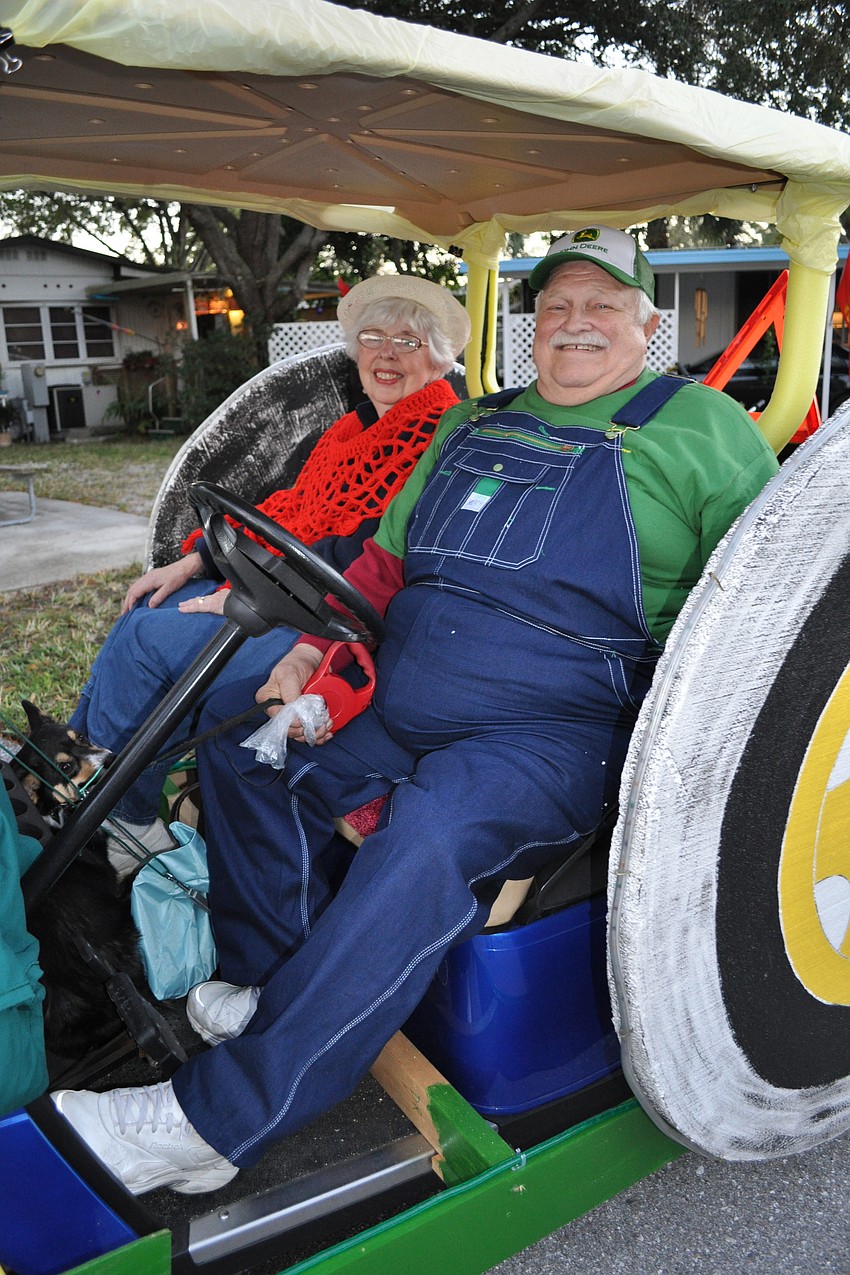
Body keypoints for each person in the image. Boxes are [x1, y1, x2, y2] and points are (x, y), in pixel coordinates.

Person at [52, 226, 779, 1195]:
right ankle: (285, 989)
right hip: (403, 684)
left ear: (647, 325)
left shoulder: (702, 428)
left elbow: (768, 607)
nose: (574, 324)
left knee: (429, 836)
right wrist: (311, 654)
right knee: (242, 748)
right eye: (556, 306)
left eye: (601, 307)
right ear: (533, 326)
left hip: (559, 726)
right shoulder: (472, 423)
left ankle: (211, 1124)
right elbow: (381, 568)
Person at [67, 275, 470, 870]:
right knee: (147, 614)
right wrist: (196, 559)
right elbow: (286, 513)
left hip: (341, 631)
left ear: (439, 357)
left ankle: (118, 822)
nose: (386, 354)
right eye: (373, 336)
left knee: (148, 637)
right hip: (288, 596)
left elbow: (363, 554)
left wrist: (242, 588)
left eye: (408, 341)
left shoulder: (442, 434)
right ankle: (82, 780)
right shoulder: (348, 431)